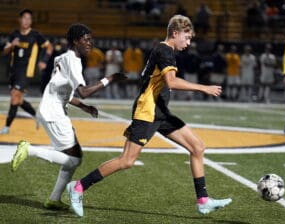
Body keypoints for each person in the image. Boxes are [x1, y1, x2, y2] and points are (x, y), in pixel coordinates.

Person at [66, 15, 232, 217]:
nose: (188, 43)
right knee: (126, 161)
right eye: (186, 38)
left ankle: (203, 201)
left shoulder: (166, 51)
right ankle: (78, 187)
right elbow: (171, 82)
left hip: (160, 111)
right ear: (175, 33)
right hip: (147, 112)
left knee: (197, 147)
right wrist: (203, 88)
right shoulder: (164, 51)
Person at [10, 23, 126, 210]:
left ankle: (54, 199)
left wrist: (85, 108)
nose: (90, 43)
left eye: (91, 39)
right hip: (54, 113)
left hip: (51, 109)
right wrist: (109, 79)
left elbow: (65, 92)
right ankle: (29, 149)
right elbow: (83, 91)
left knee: (73, 159)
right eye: (86, 39)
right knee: (75, 159)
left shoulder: (63, 57)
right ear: (75, 41)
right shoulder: (73, 61)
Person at [0, 9, 53, 134]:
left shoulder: (35, 35)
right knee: (18, 100)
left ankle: (7, 127)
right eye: (24, 18)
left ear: (31, 21)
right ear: (20, 19)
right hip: (13, 71)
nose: (26, 20)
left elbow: (49, 47)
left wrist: (44, 60)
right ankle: (37, 115)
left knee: (14, 97)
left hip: (26, 72)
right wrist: (12, 45)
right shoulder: (15, 34)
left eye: (29, 18)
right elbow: (5, 51)